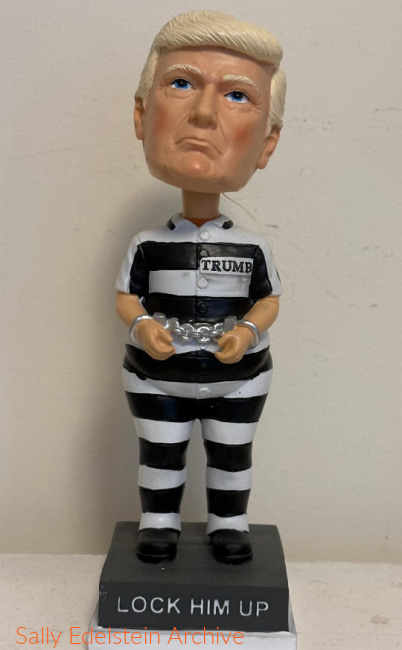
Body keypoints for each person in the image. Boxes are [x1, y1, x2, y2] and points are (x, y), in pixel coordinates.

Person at [116, 10, 286, 564]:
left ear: (267, 143)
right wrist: (143, 328)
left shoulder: (252, 247)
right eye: (182, 84)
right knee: (159, 452)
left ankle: (229, 523)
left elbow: (268, 299)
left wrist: (246, 332)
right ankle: (158, 521)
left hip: (238, 379)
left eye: (237, 95)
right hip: (155, 375)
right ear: (142, 115)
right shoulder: (147, 245)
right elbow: (127, 297)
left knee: (231, 455)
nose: (205, 114)